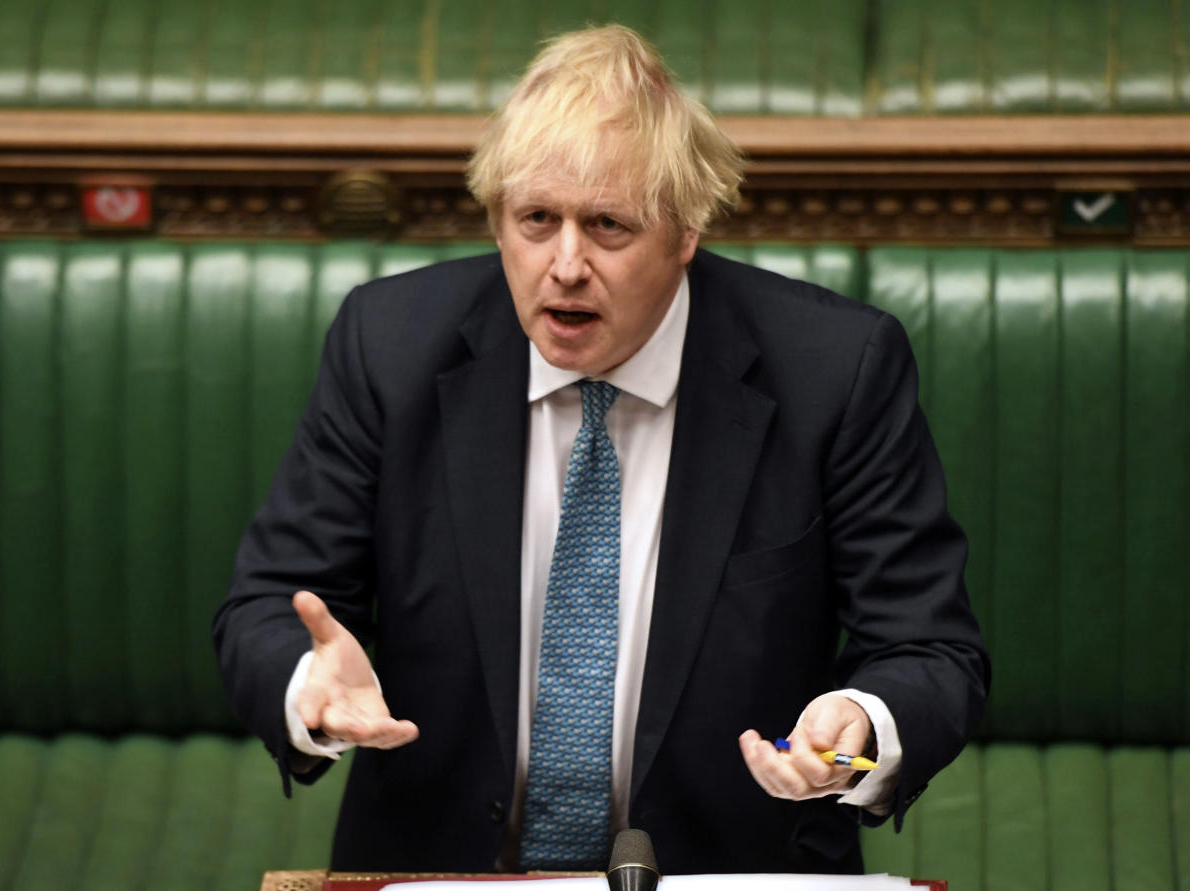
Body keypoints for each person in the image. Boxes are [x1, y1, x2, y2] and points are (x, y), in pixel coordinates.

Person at [214, 24, 988, 876]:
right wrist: (307, 690)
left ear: (686, 230)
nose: (566, 264)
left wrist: (862, 725)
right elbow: (264, 607)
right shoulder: (388, 344)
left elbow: (930, 649)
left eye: (609, 225)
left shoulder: (835, 370)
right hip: (445, 869)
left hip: (723, 867)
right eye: (536, 219)